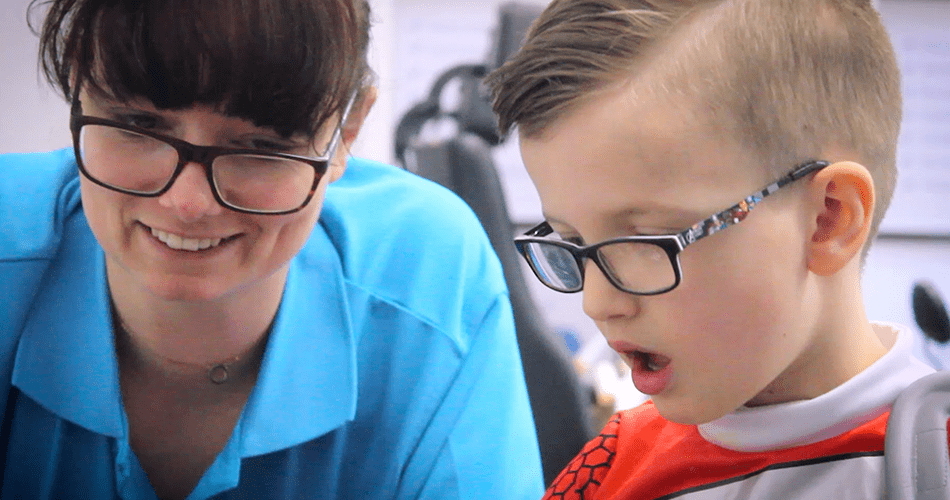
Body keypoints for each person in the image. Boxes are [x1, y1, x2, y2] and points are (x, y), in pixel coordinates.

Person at [0, 0, 544, 498]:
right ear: (78, 88)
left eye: (261, 148)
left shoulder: (429, 276)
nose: (186, 203)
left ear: (346, 131)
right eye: (138, 126)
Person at [485, 0, 944, 498]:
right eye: (573, 242)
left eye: (643, 241)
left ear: (827, 219)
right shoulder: (606, 469)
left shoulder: (929, 461)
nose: (597, 303)